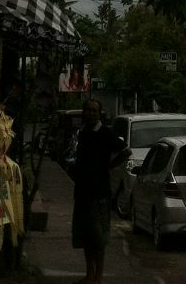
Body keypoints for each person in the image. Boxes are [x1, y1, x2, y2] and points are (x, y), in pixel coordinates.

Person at [71, 99, 130, 284]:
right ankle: (89, 274)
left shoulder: (106, 133)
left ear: (99, 113)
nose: (91, 113)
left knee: (98, 237)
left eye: (94, 111)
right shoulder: (83, 133)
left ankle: (98, 276)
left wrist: (108, 166)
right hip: (82, 192)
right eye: (88, 110)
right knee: (86, 236)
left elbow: (126, 151)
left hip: (99, 194)